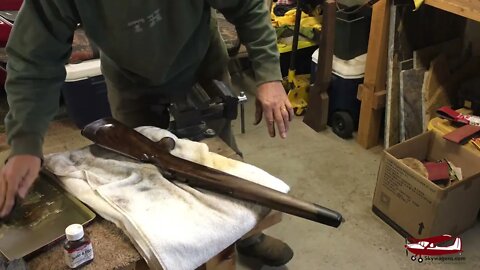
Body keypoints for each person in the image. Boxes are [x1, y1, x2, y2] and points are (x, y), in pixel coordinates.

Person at [0, 0, 295, 266]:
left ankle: (246, 235)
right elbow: (34, 57)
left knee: (216, 163)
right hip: (129, 78)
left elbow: (247, 7)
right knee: (140, 177)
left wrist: (269, 75)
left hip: (199, 65)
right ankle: (177, 250)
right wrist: (26, 141)